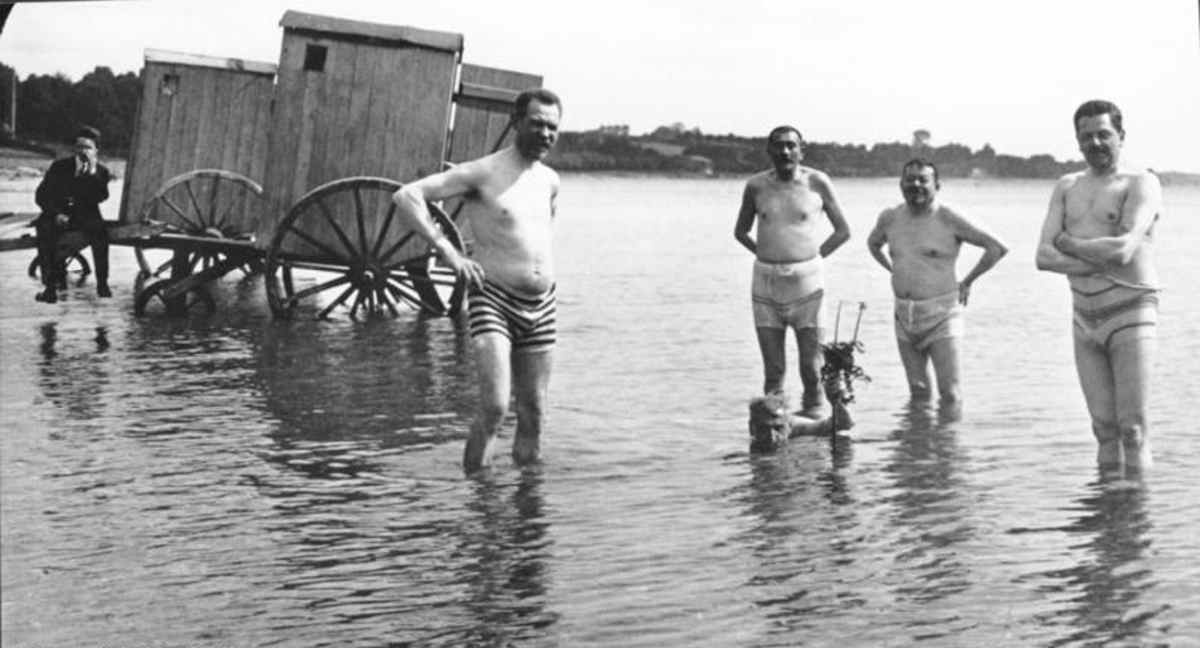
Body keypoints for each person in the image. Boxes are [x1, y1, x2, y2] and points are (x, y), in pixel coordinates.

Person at [392, 88, 562, 473]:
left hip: (542, 305)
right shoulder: (482, 172)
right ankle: (478, 502)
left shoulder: (550, 180)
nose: (545, 134)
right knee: (495, 405)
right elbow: (407, 196)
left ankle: (526, 511)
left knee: (534, 412)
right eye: (536, 124)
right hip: (494, 299)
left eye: (553, 127)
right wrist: (449, 252)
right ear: (515, 122)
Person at [1035, 99, 1161, 475]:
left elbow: (1123, 249)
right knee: (1103, 429)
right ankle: (1109, 517)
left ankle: (1136, 523)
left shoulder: (1141, 183)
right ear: (1077, 141)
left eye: (1104, 134)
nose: (1096, 143)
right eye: (1086, 136)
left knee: (1133, 429)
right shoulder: (1067, 185)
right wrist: (1096, 257)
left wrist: (1070, 244)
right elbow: (1042, 256)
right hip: (1084, 317)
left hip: (1130, 311)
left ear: (1121, 136)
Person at [867, 158, 1008, 404]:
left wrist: (968, 281)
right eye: (910, 179)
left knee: (950, 394)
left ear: (937, 185)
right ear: (901, 184)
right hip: (903, 315)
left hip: (942, 315)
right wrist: (893, 270)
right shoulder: (890, 217)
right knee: (918, 391)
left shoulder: (948, 217)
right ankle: (919, 441)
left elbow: (996, 247)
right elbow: (873, 244)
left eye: (924, 180)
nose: (916, 185)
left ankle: (948, 442)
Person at [734, 125, 851, 418]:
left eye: (791, 145)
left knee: (811, 369)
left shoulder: (818, 182)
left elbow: (843, 231)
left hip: (807, 285)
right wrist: (767, 256)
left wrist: (811, 259)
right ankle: (776, 435)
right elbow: (741, 232)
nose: (785, 151)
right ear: (769, 150)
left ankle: (814, 428)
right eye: (778, 146)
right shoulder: (756, 186)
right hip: (766, 284)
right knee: (773, 371)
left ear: (801, 150)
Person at [34, 126, 113, 303]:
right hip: (58, 214)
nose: (82, 151)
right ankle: (49, 288)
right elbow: (41, 196)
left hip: (85, 217)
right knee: (45, 232)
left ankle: (102, 284)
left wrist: (92, 174)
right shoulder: (59, 167)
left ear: (96, 150)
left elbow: (102, 196)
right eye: (79, 147)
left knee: (100, 234)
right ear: (74, 149)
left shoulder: (101, 171)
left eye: (87, 147)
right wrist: (56, 214)